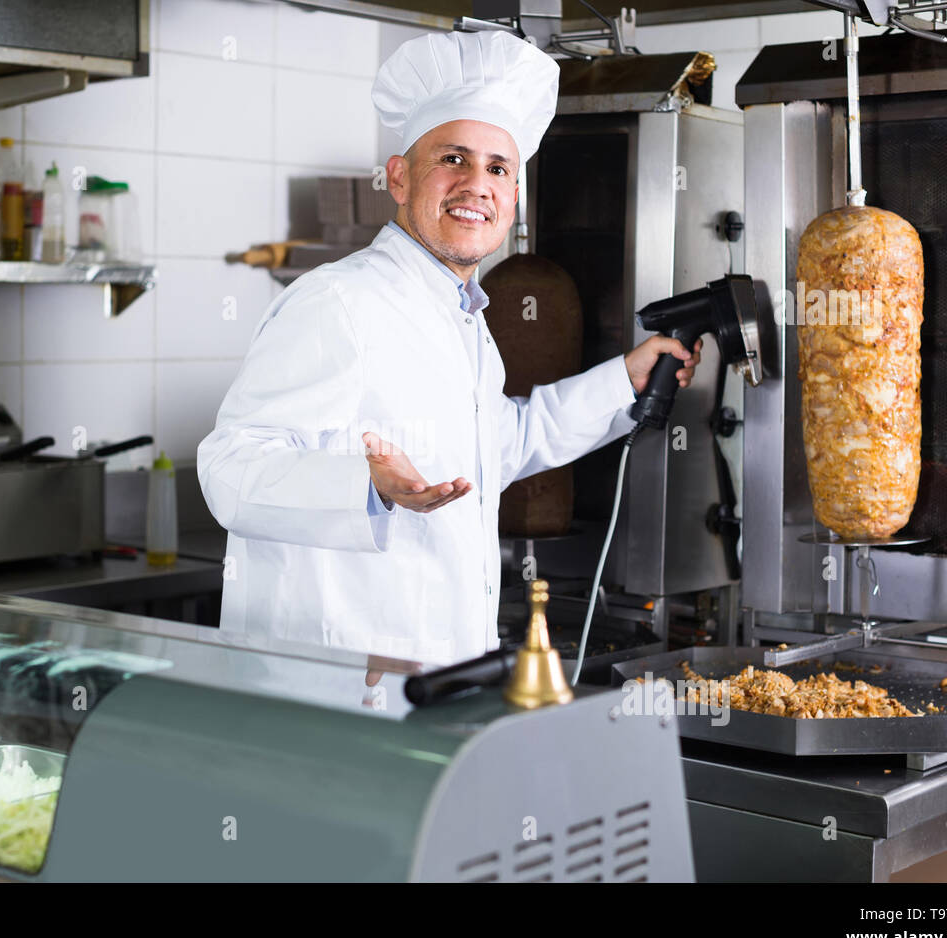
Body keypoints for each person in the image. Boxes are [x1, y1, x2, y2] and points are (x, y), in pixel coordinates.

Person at [198, 30, 700, 669]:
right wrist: (366, 486)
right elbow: (230, 470)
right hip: (340, 688)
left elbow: (498, 446)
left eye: (498, 168)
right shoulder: (338, 302)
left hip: (444, 675)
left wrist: (622, 381)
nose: (477, 184)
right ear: (400, 177)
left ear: (514, 196)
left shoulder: (460, 315)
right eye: (453, 159)